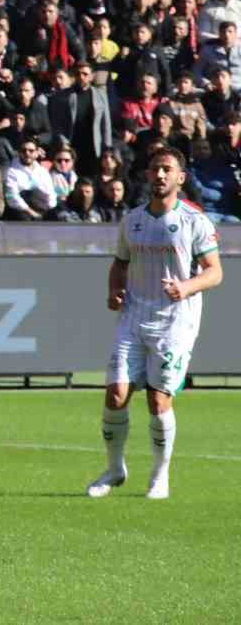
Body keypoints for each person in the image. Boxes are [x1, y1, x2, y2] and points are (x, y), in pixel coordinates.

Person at [88, 146, 224, 500]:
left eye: (167, 169)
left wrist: (186, 287)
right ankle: (115, 468)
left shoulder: (195, 221)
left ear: (180, 177)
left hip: (175, 322)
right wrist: (115, 291)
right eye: (154, 169)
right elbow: (119, 264)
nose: (160, 175)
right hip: (133, 315)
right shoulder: (132, 220)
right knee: (116, 394)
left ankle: (160, 476)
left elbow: (215, 272)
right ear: (147, 176)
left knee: (158, 401)